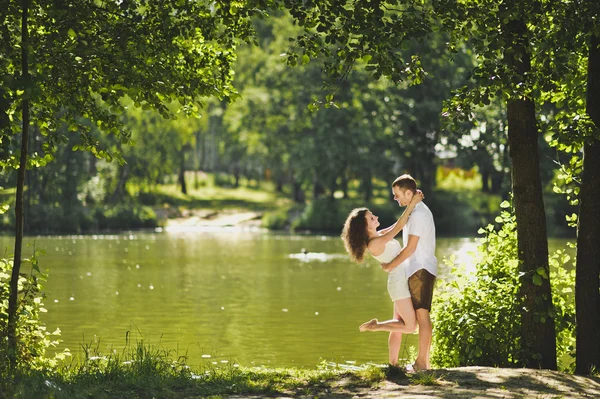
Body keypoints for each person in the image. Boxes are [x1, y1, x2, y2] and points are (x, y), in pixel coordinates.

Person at [341, 190, 423, 366]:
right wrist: (412, 204)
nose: (375, 217)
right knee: (410, 326)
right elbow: (399, 227)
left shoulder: (377, 236)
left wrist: (411, 207)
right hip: (399, 285)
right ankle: (375, 326)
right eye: (371, 218)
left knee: (398, 326)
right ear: (365, 227)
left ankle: (393, 365)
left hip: (399, 282)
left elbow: (397, 225)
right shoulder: (374, 243)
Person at [381, 174, 437, 371]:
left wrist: (389, 265)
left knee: (422, 316)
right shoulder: (413, 211)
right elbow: (397, 227)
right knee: (410, 317)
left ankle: (422, 362)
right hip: (414, 270)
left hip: (421, 268)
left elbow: (411, 248)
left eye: (397, 195)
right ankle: (400, 364)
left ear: (408, 192)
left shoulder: (419, 215)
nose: (395, 199)